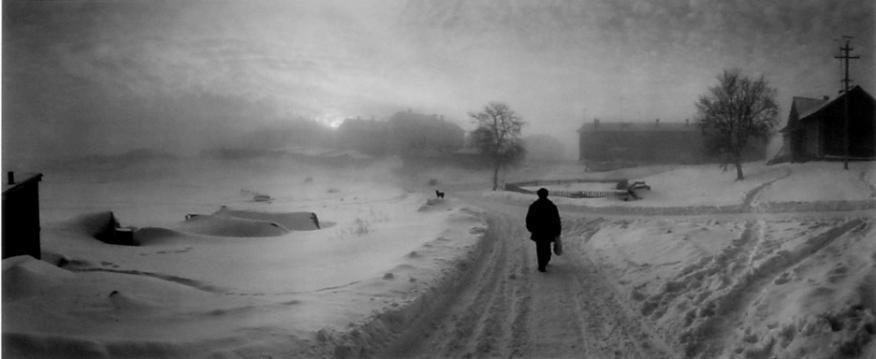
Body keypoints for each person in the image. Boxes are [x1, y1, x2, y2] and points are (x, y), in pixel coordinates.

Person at [525, 188, 561, 272]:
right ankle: (546, 260)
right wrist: (557, 231)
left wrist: (531, 228)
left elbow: (529, 219)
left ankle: (541, 264)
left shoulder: (534, 206)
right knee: (547, 247)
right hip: (549, 231)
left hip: (538, 231)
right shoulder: (552, 206)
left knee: (540, 248)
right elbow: (556, 220)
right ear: (547, 195)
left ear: (538, 195)